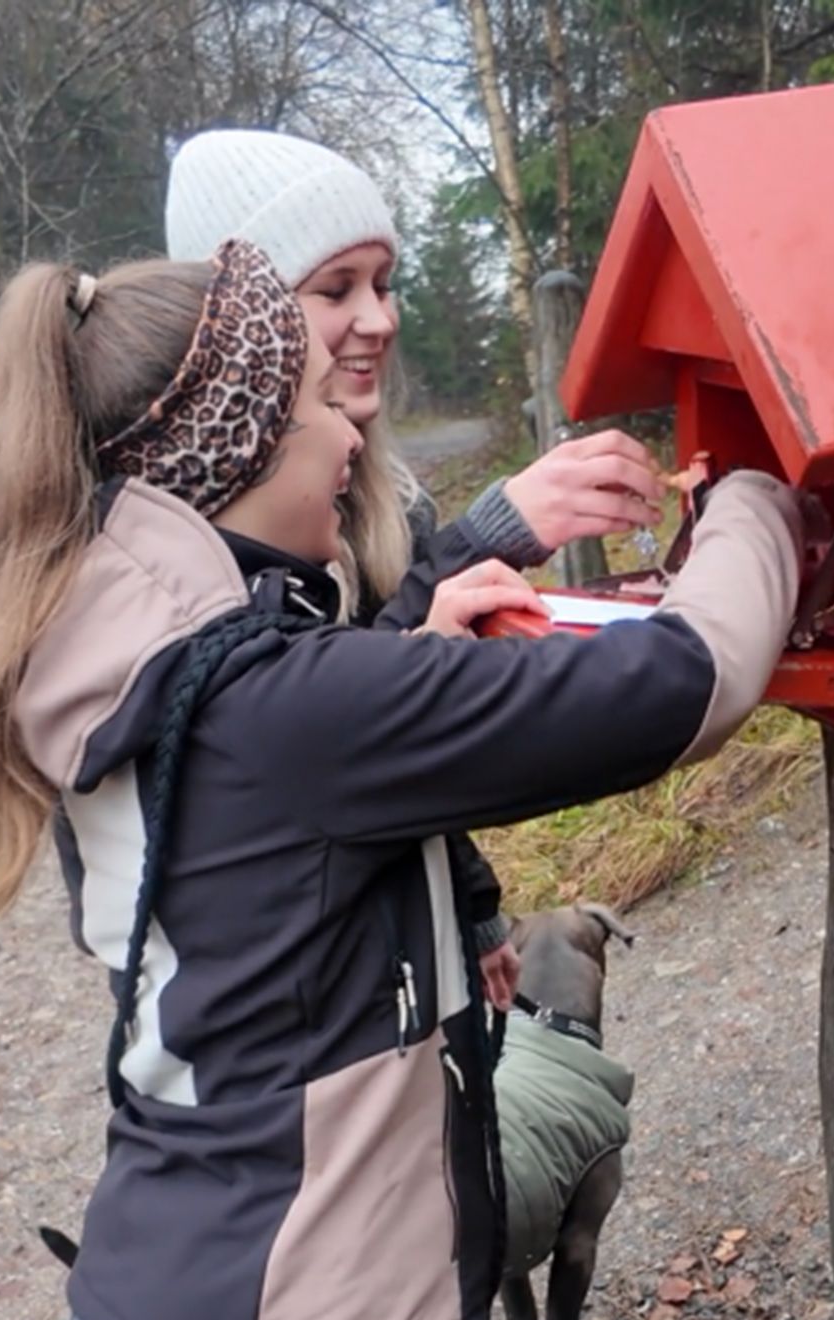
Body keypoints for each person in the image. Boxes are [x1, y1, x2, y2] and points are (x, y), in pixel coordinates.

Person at [0, 238, 806, 1320]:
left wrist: (421, 614)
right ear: (239, 453)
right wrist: (759, 495)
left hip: (155, 1289)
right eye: (312, 406)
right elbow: (690, 682)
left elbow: (297, 812)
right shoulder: (295, 710)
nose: (352, 432)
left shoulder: (116, 661)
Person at [165, 130, 666, 1015]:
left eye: (385, 283)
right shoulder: (206, 553)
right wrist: (494, 533)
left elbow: (403, 748)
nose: (381, 318)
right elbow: (350, 726)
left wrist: (473, 914)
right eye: (335, 288)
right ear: (243, 332)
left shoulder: (392, 500)